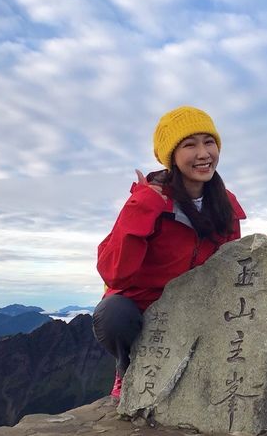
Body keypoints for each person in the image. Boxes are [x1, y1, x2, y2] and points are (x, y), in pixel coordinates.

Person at [93, 106, 246, 399]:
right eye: (190, 145)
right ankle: (128, 369)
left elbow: (229, 263)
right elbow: (114, 273)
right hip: (141, 307)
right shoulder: (150, 200)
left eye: (209, 142)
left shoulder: (224, 204)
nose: (203, 153)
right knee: (112, 315)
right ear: (171, 156)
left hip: (194, 305)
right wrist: (143, 206)